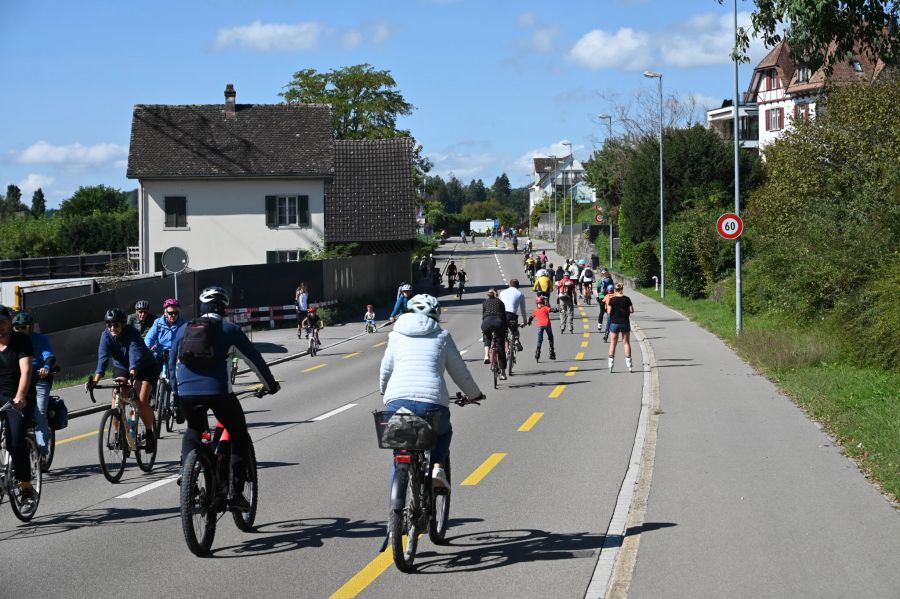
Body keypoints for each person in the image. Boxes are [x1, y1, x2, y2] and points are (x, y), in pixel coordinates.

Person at [169, 286, 279, 510]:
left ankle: (185, 471)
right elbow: (254, 360)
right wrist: (271, 385)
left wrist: (175, 392)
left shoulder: (183, 330)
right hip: (218, 392)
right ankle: (236, 492)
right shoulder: (229, 329)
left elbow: (171, 364)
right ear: (223, 308)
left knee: (194, 429)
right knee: (238, 433)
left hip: (186, 393)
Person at [379, 294, 484, 491]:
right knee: (444, 432)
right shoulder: (442, 336)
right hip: (432, 403)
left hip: (396, 401)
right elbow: (460, 372)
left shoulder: (395, 335)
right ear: (436, 315)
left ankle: (396, 511)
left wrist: (384, 390)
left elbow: (386, 369)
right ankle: (437, 465)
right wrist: (474, 394)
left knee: (400, 450)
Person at [88, 307, 160, 452]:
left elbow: (134, 354)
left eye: (116, 325)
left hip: (145, 366)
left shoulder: (132, 333)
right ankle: (118, 436)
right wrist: (95, 380)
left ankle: (149, 433)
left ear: (123, 324)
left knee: (140, 400)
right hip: (122, 367)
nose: (112, 328)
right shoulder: (106, 336)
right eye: (109, 325)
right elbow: (103, 359)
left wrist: (133, 374)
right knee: (116, 397)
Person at [0, 305, 38, 509]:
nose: (0, 327)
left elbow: (26, 371)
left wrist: (20, 396)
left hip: (19, 397)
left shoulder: (21, 341)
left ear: (9, 322)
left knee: (15, 442)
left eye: (2, 322)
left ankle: (26, 488)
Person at [11, 312, 55, 459]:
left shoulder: (40, 339)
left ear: (30, 327)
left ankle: (42, 450)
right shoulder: (11, 341)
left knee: (40, 412)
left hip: (39, 379)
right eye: (16, 327)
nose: (20, 330)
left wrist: (46, 368)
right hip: (20, 380)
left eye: (23, 327)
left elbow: (48, 356)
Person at [480, 288, 508, 379]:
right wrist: (505, 329)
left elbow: (483, 316)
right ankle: (503, 373)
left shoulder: (485, 303)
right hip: (498, 322)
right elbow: (504, 317)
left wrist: (483, 330)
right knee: (501, 347)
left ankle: (486, 355)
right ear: (496, 294)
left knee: (488, 337)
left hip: (486, 322)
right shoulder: (500, 302)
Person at [607, 283, 635, 372]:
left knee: (613, 343)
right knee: (626, 343)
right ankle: (629, 364)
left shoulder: (612, 300)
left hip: (614, 323)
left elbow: (609, 312)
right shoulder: (627, 299)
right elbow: (631, 310)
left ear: (615, 290)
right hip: (625, 322)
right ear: (622, 289)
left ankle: (610, 364)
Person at [499, 279, 527, 352]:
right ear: (518, 286)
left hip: (501, 315)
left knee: (501, 331)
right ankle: (516, 340)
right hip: (511, 315)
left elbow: (498, 305)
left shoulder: (502, 292)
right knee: (514, 330)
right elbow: (523, 309)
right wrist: (525, 321)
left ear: (509, 285)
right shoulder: (520, 294)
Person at [527, 296, 557, 361]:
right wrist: (557, 310)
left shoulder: (535, 310)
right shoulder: (545, 307)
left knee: (540, 339)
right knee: (550, 337)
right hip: (547, 325)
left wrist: (529, 322)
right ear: (543, 302)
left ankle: (537, 352)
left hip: (540, 326)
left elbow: (531, 317)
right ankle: (551, 353)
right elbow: (552, 310)